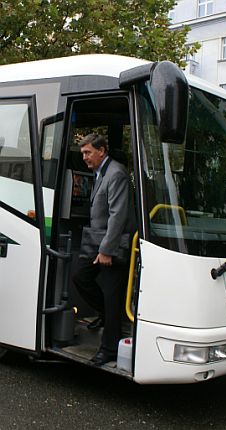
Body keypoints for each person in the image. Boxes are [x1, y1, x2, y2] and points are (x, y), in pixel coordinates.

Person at [73, 133, 133, 366]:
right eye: (83, 153)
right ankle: (108, 314)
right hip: (97, 241)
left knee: (111, 295)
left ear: (101, 150)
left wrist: (107, 250)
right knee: (81, 277)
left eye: (88, 152)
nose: (85, 158)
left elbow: (118, 214)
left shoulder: (116, 173)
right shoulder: (102, 171)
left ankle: (109, 350)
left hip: (111, 246)